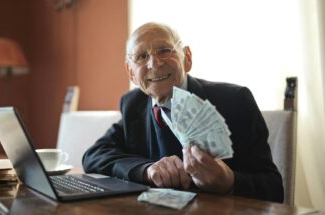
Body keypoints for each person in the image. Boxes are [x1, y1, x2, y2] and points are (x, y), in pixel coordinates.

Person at [82, 22, 284, 203]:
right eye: (142, 56)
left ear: (187, 58)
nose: (154, 63)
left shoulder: (235, 100)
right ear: (131, 72)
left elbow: (274, 189)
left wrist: (228, 181)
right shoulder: (133, 104)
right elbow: (94, 155)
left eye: (164, 50)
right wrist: (147, 170)